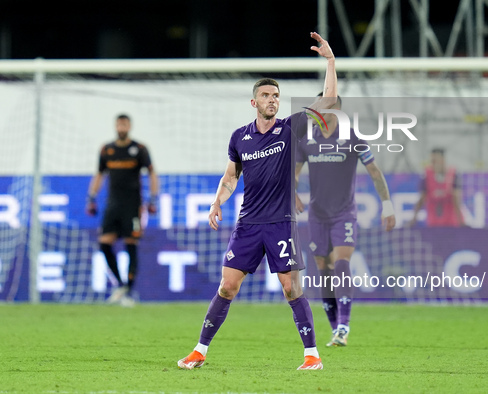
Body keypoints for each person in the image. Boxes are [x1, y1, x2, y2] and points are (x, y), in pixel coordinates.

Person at [177, 32, 337, 371]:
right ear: (254, 102)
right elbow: (231, 177)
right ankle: (199, 350)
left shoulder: (290, 128)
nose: (272, 100)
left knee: (291, 287)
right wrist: (217, 201)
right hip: (248, 224)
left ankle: (312, 356)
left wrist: (330, 62)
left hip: (280, 222)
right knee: (227, 285)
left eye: (276, 95)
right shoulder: (240, 137)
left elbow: (329, 102)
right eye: (265, 95)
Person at [295, 94, 396, 347]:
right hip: (317, 215)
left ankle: (344, 325)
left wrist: (387, 204)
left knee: (341, 262)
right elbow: (293, 174)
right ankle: (335, 330)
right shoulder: (307, 138)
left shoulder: (352, 136)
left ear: (336, 109)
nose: (317, 111)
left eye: (323, 106)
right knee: (324, 271)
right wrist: (291, 191)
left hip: (344, 214)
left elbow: (374, 171)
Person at [86, 114, 159, 307]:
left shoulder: (139, 149)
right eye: (119, 123)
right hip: (113, 205)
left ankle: (128, 291)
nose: (121, 127)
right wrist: (91, 197)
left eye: (125, 124)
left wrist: (153, 198)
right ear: (115, 126)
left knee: (131, 244)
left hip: (133, 205)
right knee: (104, 244)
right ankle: (121, 286)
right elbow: (99, 174)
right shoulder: (106, 150)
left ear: (129, 126)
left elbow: (152, 174)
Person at [409, 148, 464, 227]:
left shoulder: (453, 174)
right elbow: (422, 199)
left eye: (435, 161)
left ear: (443, 160)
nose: (433, 164)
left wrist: (461, 222)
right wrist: (414, 218)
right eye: (432, 161)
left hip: (451, 221)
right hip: (433, 221)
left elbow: (457, 199)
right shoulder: (426, 175)